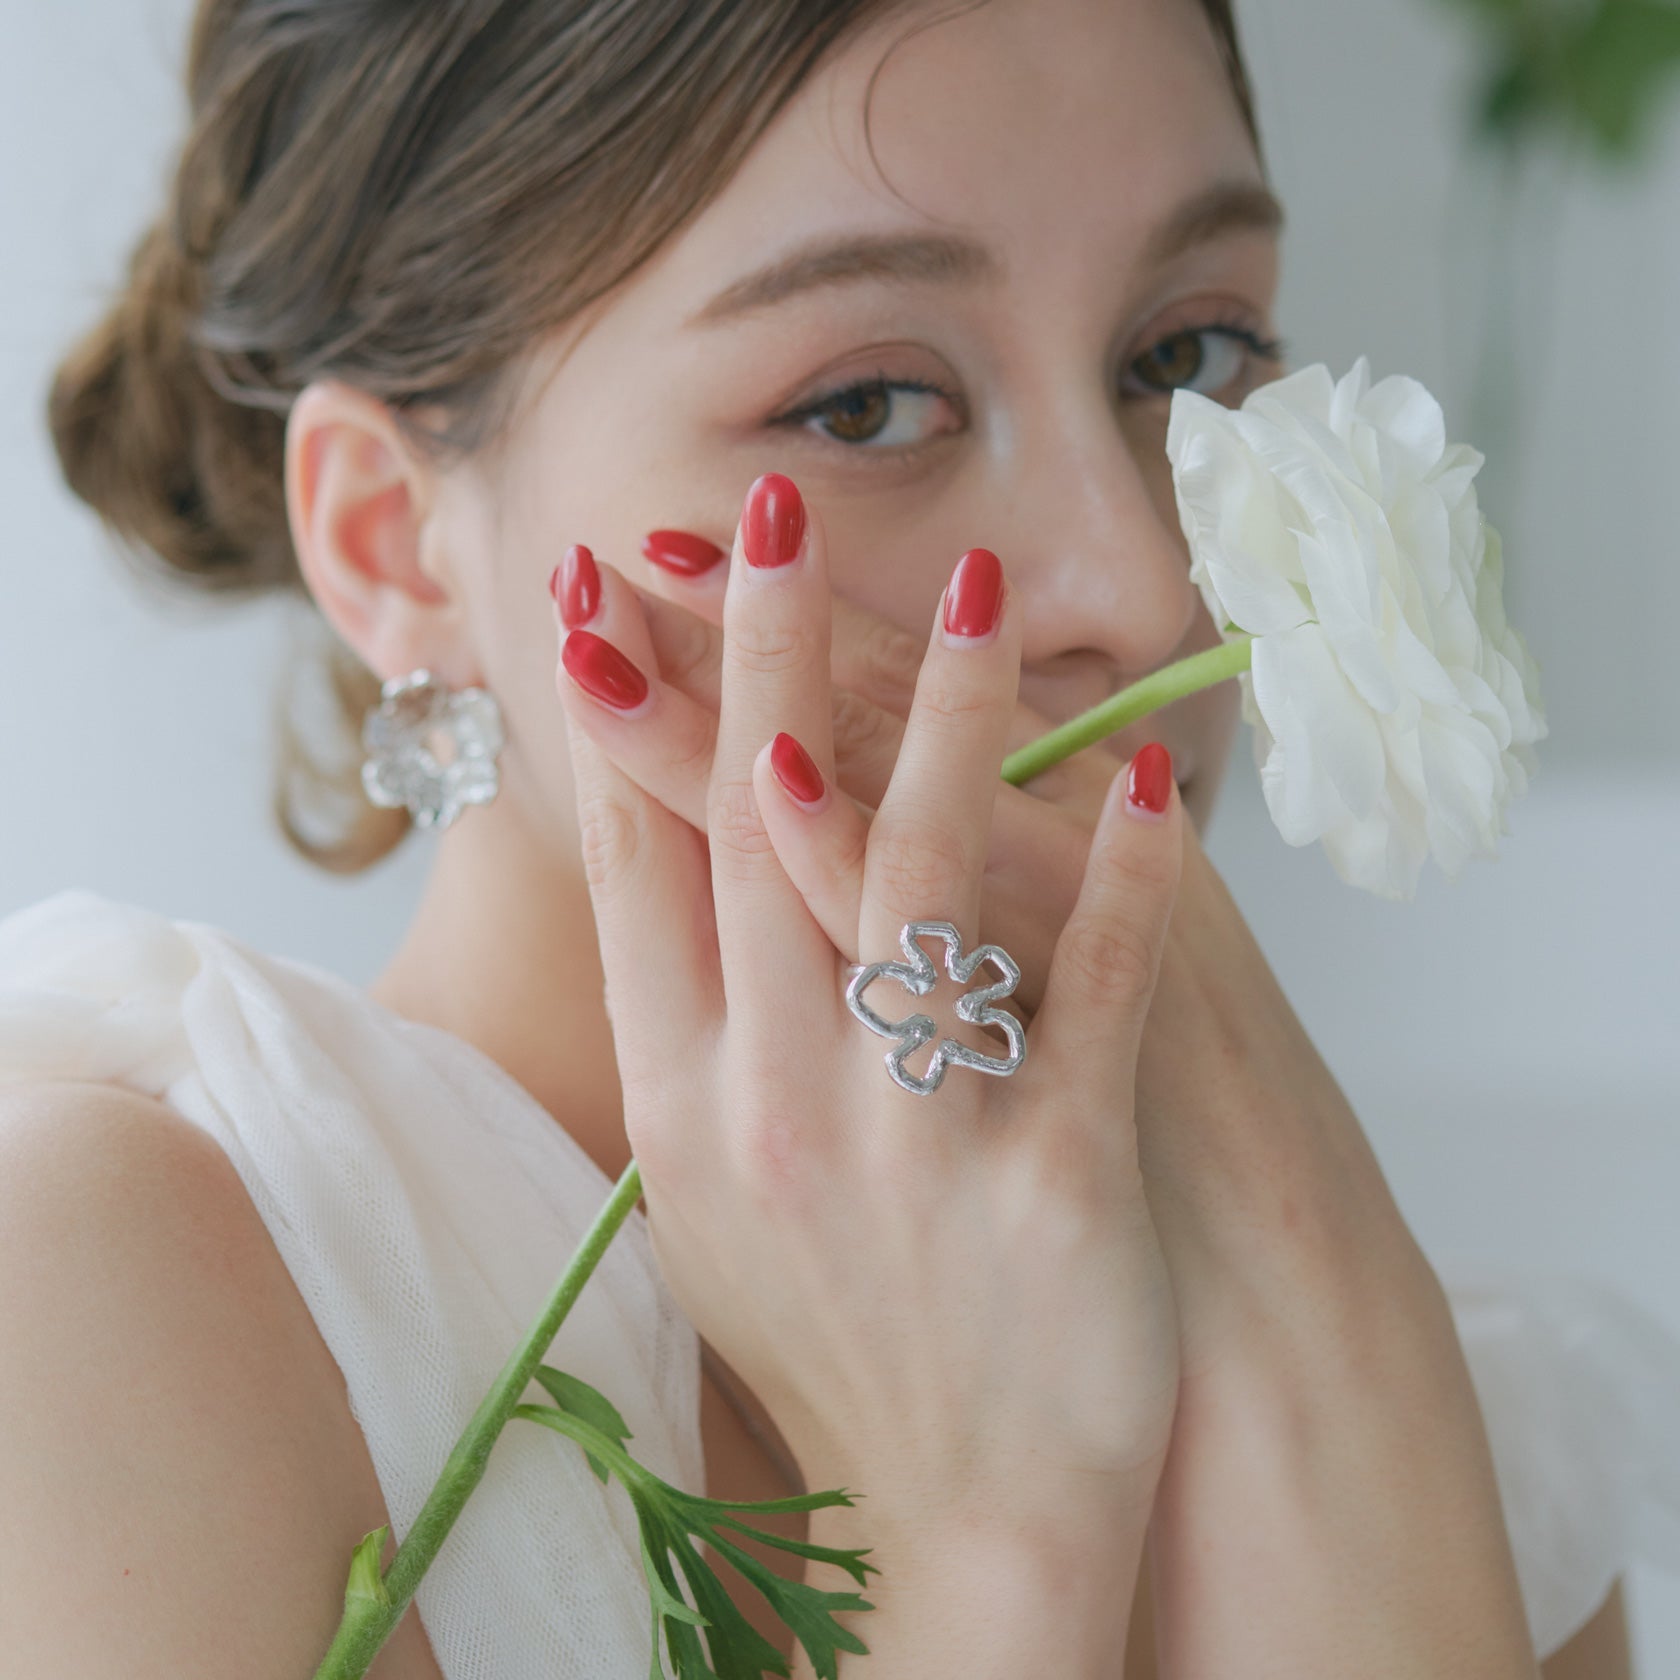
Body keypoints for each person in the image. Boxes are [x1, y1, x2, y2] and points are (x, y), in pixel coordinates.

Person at [2, 0, 1675, 1675]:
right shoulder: (97, 1292)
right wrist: (966, 1541)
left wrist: (1314, 1274)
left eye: (1186, 356)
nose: (1139, 587)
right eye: (869, 405)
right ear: (396, 548)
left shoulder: (1453, 1430)